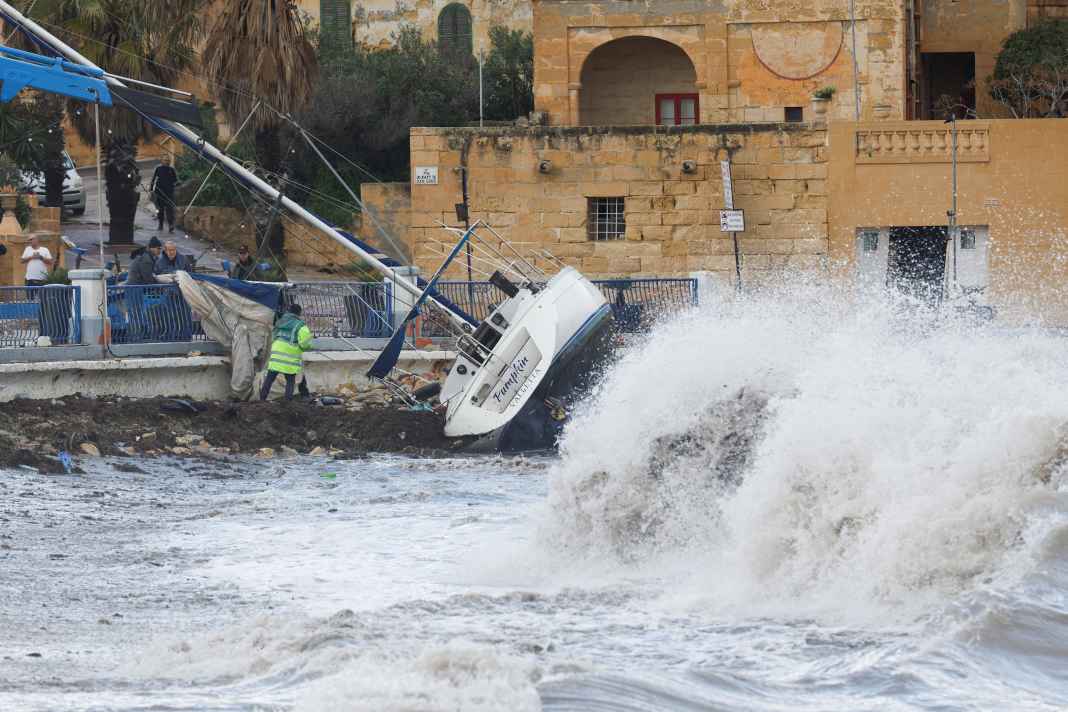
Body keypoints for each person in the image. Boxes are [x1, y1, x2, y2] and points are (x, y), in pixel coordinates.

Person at [260, 303, 313, 402]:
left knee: (269, 379)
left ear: (288, 311)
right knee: (290, 381)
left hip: (276, 356)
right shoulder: (301, 325)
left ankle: (262, 400)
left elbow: (273, 336)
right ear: (299, 313)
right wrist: (309, 346)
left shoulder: (280, 321)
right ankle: (288, 403)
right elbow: (305, 344)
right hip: (290, 358)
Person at [150, 156, 178, 233]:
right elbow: (153, 179)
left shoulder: (171, 170)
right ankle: (160, 224)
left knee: (170, 210)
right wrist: (151, 189)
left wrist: (175, 185)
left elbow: (175, 180)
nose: (167, 161)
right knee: (160, 209)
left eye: (168, 160)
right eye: (165, 160)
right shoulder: (158, 169)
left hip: (169, 193)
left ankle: (171, 225)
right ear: (162, 161)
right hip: (159, 192)